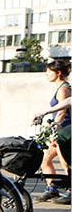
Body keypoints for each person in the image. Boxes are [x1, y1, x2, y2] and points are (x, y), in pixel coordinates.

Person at [36, 59, 71, 201]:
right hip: (61, 130)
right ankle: (52, 188)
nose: (46, 74)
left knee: (65, 162)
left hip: (64, 130)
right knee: (47, 161)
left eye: (49, 72)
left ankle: (67, 190)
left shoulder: (63, 89)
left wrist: (55, 131)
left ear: (58, 73)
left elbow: (62, 112)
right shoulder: (61, 87)